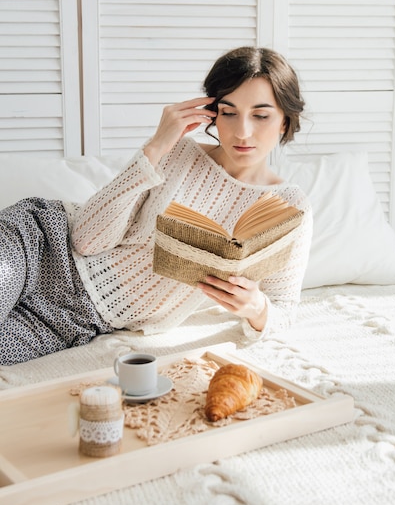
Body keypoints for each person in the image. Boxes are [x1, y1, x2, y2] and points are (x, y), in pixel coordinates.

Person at [0, 46, 312, 365]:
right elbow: (85, 240)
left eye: (260, 115)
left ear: (285, 121)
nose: (242, 131)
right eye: (228, 112)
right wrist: (156, 147)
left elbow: (284, 309)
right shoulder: (179, 153)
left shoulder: (289, 208)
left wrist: (256, 307)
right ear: (212, 112)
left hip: (78, 322)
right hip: (40, 243)